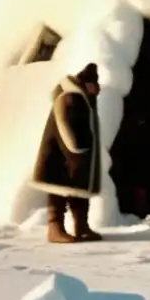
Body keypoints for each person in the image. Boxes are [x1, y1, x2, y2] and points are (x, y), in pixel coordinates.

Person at [31, 62, 105, 244]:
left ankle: (82, 226)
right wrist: (79, 146)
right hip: (62, 156)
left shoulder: (83, 98)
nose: (97, 89)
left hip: (75, 158)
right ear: (86, 83)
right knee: (59, 190)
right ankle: (55, 228)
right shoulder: (70, 96)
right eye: (94, 85)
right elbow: (65, 123)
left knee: (78, 190)